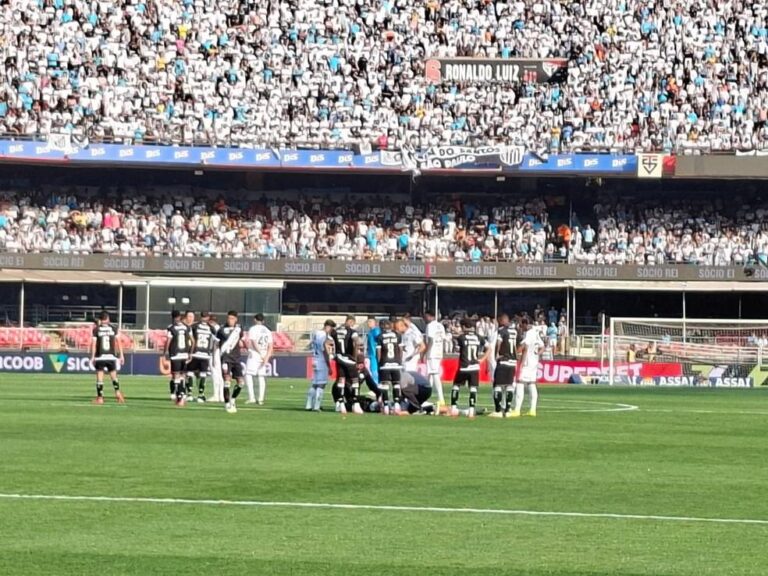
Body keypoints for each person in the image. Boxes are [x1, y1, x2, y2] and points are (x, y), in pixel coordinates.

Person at [450, 318, 488, 419]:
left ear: (463, 327)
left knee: (456, 386)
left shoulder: (461, 338)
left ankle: (454, 408)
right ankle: (471, 410)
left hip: (464, 366)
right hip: (475, 366)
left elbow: (457, 349)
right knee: (473, 388)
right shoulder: (479, 337)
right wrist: (483, 359)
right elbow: (489, 348)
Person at [89, 311, 125, 405]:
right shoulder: (114, 328)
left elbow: (93, 344)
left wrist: (92, 357)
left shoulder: (96, 330)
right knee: (114, 376)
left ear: (100, 320)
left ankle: (100, 398)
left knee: (100, 378)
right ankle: (117, 393)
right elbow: (119, 342)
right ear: (108, 319)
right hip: (111, 356)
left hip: (100, 357)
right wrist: (121, 355)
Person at [511, 318, 543, 418]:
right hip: (534, 363)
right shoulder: (536, 332)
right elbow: (542, 346)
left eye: (521, 325)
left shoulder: (529, 333)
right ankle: (532, 410)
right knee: (531, 384)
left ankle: (517, 410)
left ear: (525, 324)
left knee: (520, 383)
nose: (520, 327)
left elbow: (525, 347)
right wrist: (538, 353)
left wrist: (520, 362)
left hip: (527, 363)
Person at [331, 315, 362, 414]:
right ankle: (355, 403)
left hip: (339, 358)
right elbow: (358, 342)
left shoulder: (335, 331)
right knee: (355, 380)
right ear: (351, 321)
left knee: (341, 380)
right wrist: (355, 357)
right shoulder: (352, 332)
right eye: (353, 323)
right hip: (349, 359)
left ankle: (340, 403)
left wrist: (331, 354)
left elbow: (327, 342)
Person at [489, 314, 518, 418]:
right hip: (513, 361)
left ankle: (498, 410)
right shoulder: (515, 331)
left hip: (504, 360)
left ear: (501, 321)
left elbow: (499, 342)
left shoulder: (501, 330)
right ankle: (508, 409)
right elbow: (516, 344)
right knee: (509, 385)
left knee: (498, 385)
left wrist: (497, 354)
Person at [217, 310, 244, 414]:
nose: (230, 320)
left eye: (232, 318)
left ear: (236, 319)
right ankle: (227, 403)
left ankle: (233, 399)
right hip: (226, 358)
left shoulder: (239, 329)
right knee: (227, 381)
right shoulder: (221, 330)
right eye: (228, 318)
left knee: (241, 383)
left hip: (236, 359)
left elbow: (240, 341)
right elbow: (216, 343)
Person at [164, 310, 193, 406]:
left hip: (175, 354)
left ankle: (178, 396)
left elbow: (168, 341)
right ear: (180, 317)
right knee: (183, 376)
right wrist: (190, 353)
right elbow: (193, 341)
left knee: (176, 376)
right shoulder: (187, 327)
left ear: (172, 317)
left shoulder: (171, 328)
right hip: (184, 354)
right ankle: (183, 394)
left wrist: (165, 353)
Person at [306, 319, 336, 412]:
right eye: (331, 329)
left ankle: (308, 405)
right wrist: (329, 365)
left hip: (314, 359)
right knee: (321, 384)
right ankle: (317, 406)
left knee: (314, 383)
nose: (330, 331)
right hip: (321, 361)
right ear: (327, 326)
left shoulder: (316, 333)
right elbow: (325, 351)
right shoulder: (323, 336)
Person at [245, 313, 274, 405]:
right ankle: (261, 398)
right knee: (261, 376)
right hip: (265, 353)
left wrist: (260, 353)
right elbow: (270, 346)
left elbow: (253, 342)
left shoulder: (253, 329)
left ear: (255, 319)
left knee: (248, 374)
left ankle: (252, 397)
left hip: (255, 353)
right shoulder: (267, 330)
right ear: (263, 321)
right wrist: (267, 357)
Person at [189, 311, 216, 402]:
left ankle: (189, 394)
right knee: (203, 374)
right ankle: (201, 395)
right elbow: (215, 342)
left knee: (190, 372)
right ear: (208, 317)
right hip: (205, 354)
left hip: (195, 353)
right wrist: (212, 353)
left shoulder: (194, 326)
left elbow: (190, 339)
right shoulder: (211, 328)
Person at [376, 319, 402, 415]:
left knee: (385, 384)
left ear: (383, 326)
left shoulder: (380, 337)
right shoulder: (397, 335)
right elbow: (400, 349)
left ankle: (386, 405)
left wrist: (379, 362)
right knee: (396, 384)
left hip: (385, 363)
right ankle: (397, 404)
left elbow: (378, 351)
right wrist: (399, 360)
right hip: (396, 363)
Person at [423, 310, 446, 409]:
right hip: (439, 351)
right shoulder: (440, 325)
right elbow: (443, 339)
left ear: (430, 316)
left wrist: (425, 352)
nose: (424, 319)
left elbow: (430, 340)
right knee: (430, 375)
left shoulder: (430, 326)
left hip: (432, 353)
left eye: (426, 317)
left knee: (434, 373)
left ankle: (441, 398)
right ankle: (426, 396)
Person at [209, 314, 225, 402]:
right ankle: (221, 395)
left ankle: (216, 395)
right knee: (219, 375)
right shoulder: (220, 328)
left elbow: (216, 343)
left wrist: (214, 355)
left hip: (215, 352)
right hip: (220, 352)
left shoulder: (214, 329)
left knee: (215, 375)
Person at [183, 310, 196, 396]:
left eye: (192, 317)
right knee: (183, 373)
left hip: (192, 352)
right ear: (185, 317)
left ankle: (190, 392)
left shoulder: (195, 327)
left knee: (190, 372)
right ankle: (183, 391)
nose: (191, 318)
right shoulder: (183, 327)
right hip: (183, 352)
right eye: (189, 316)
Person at [366, 317, 381, 385]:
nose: (369, 323)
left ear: (375, 323)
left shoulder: (376, 331)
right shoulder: (370, 332)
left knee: (374, 369)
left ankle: (376, 385)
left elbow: (379, 341)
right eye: (368, 321)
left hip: (375, 354)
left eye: (370, 321)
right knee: (372, 369)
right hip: (371, 354)